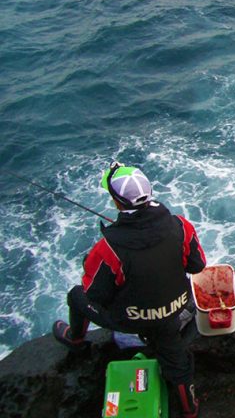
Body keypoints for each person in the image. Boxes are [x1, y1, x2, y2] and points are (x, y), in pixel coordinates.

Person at [52, 162, 205, 418]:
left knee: (76, 296)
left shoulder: (108, 248)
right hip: (174, 312)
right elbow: (197, 265)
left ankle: (77, 340)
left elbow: (95, 295)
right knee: (177, 364)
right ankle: (190, 410)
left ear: (117, 203)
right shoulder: (181, 225)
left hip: (130, 320)